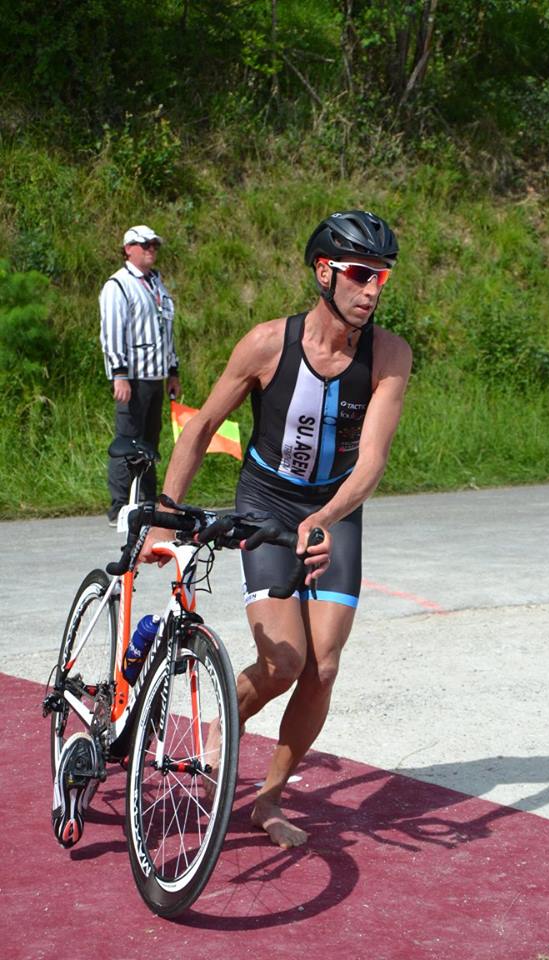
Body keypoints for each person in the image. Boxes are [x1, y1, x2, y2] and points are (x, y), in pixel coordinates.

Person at [140, 210, 412, 848]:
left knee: (324, 666)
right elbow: (203, 426)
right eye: (360, 274)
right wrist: (166, 513)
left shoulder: (389, 354)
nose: (372, 289)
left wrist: (324, 518)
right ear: (324, 272)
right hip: (266, 501)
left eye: (381, 277)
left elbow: (372, 461)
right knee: (283, 661)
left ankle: (267, 799)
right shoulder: (267, 343)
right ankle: (221, 727)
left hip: (334, 508)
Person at [99, 224, 181, 525]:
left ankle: (145, 501)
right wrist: (118, 374)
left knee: (149, 442)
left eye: (154, 245)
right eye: (145, 245)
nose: (151, 250)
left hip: (156, 376)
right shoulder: (118, 285)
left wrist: (173, 371)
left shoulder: (156, 283)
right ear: (128, 249)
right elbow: (111, 332)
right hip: (132, 377)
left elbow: (166, 330)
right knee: (127, 441)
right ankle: (120, 504)